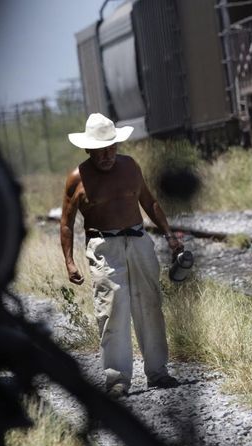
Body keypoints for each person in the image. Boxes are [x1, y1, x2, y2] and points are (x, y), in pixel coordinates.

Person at [61, 113, 183, 397]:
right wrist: (68, 261)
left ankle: (158, 372)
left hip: (139, 241)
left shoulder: (129, 166)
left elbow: (149, 202)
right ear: (88, 149)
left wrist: (169, 235)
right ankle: (117, 380)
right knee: (112, 311)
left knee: (150, 307)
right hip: (105, 248)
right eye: (100, 150)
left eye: (111, 147)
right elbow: (66, 223)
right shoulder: (77, 178)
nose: (107, 155)